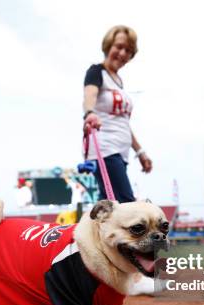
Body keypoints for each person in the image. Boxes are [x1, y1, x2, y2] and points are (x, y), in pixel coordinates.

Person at [82, 25, 152, 203]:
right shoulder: (97, 72)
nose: (122, 53)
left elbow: (124, 123)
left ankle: (91, 231)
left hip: (122, 152)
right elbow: (89, 95)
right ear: (108, 46)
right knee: (125, 203)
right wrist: (89, 113)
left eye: (128, 50)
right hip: (106, 149)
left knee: (109, 205)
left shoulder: (120, 83)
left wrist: (140, 152)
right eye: (119, 47)